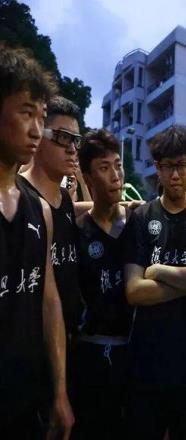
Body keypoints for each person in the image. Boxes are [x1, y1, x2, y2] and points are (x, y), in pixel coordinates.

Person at [124, 124, 186, 440]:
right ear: (157, 168)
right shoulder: (141, 218)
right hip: (145, 369)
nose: (175, 174)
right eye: (167, 166)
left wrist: (157, 270)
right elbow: (134, 291)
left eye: (181, 164)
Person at [0, 44, 73, 438]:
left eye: (41, 118)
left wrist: (60, 392)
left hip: (27, 401)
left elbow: (48, 299)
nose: (35, 130)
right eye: (25, 113)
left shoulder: (39, 211)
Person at [71, 129, 134, 438]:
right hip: (90, 358)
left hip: (135, 356)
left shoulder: (138, 224)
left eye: (118, 165)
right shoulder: (78, 232)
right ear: (88, 178)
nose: (116, 175)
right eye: (104, 168)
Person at [20, 96, 83, 337]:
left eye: (76, 140)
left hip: (70, 338)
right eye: (63, 137)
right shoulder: (16, 199)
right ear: (38, 135)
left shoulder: (65, 200)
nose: (72, 149)